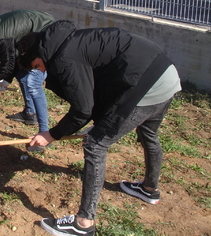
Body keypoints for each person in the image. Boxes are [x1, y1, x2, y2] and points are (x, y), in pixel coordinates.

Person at [17, 20, 181, 236]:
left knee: (95, 144)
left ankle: (83, 223)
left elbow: (82, 109)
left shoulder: (63, 59)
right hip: (165, 72)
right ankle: (149, 189)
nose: (42, 70)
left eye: (37, 66)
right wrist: (99, 122)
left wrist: (51, 135)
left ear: (38, 54)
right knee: (148, 132)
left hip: (144, 83)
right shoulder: (72, 40)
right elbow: (100, 88)